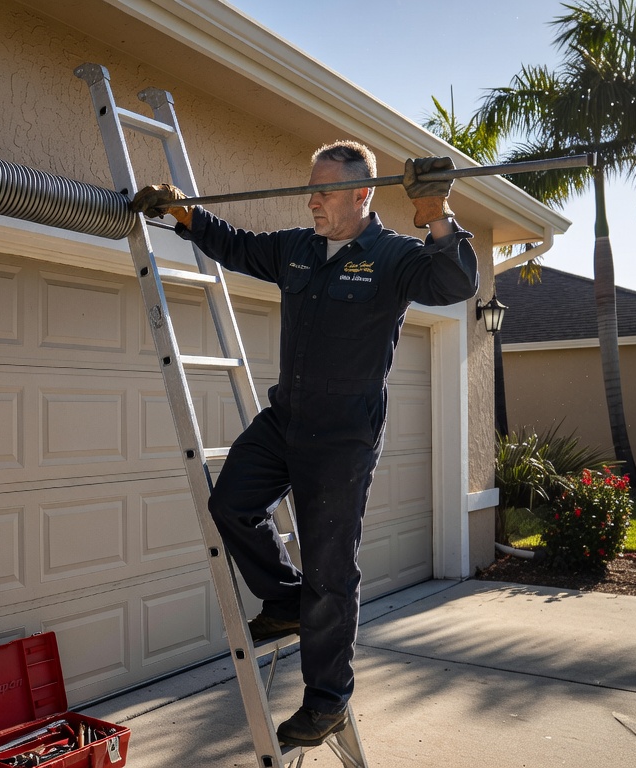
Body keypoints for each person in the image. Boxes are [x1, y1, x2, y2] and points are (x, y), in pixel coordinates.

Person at [130, 141, 478, 747]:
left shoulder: (393, 257)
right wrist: (184, 212)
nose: (312, 200)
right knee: (230, 504)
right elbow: (236, 245)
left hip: (344, 435)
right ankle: (284, 598)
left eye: (323, 190)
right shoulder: (296, 247)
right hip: (287, 418)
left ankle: (326, 701)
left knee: (331, 570)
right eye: (310, 189)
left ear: (362, 194)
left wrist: (436, 212)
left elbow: (454, 281)